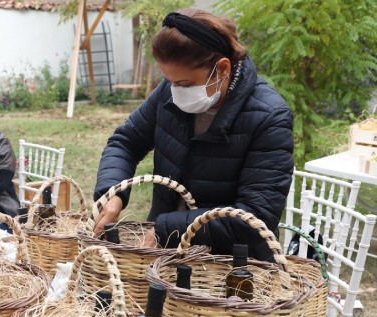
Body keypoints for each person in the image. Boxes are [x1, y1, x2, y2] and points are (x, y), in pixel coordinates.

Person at [93, 8, 294, 261]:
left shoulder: (268, 116)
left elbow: (254, 217)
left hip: (232, 266)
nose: (174, 91)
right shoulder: (169, 91)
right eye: (168, 80)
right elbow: (125, 142)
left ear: (222, 69)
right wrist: (112, 194)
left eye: (184, 84)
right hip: (164, 253)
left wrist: (167, 228)